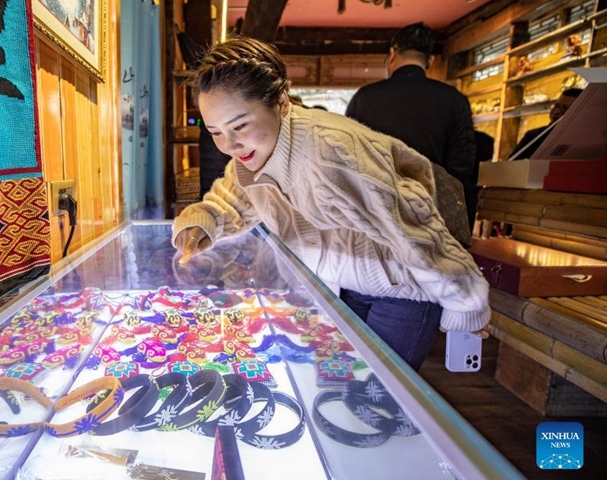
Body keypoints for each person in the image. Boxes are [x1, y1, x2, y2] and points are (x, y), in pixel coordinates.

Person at [171, 35, 491, 371]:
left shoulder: (332, 152)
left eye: (240, 125)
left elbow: (411, 223)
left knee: (382, 393)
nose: (230, 144)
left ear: (280, 102)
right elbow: (233, 199)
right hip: (346, 285)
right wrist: (202, 221)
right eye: (215, 131)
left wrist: (465, 300)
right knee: (348, 385)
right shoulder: (252, 154)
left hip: (404, 289)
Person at [346, 22, 478, 232]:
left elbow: (350, 161)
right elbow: (462, 169)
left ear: (392, 54)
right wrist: (461, 229)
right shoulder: (454, 100)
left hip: (378, 216)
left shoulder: (365, 98)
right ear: (430, 60)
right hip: (431, 217)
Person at [508, 88, 583, 160]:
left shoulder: (583, 139)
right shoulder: (533, 136)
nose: (557, 111)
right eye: (556, 106)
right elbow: (511, 164)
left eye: (565, 108)